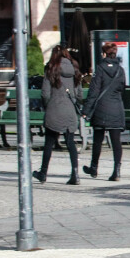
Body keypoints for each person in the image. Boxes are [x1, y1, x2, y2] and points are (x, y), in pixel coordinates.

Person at [34, 45, 82, 185]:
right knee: (70, 142)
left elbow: (45, 93)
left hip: (54, 109)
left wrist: (48, 106)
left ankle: (43, 173)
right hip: (70, 111)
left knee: (49, 142)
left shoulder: (51, 68)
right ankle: (75, 174)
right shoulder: (75, 69)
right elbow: (79, 94)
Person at [82, 42, 128, 181]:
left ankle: (94, 168)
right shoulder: (120, 70)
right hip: (116, 108)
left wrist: (86, 110)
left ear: (103, 54)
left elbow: (94, 92)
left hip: (101, 108)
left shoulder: (100, 69)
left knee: (98, 140)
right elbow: (122, 89)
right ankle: (116, 171)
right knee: (116, 142)